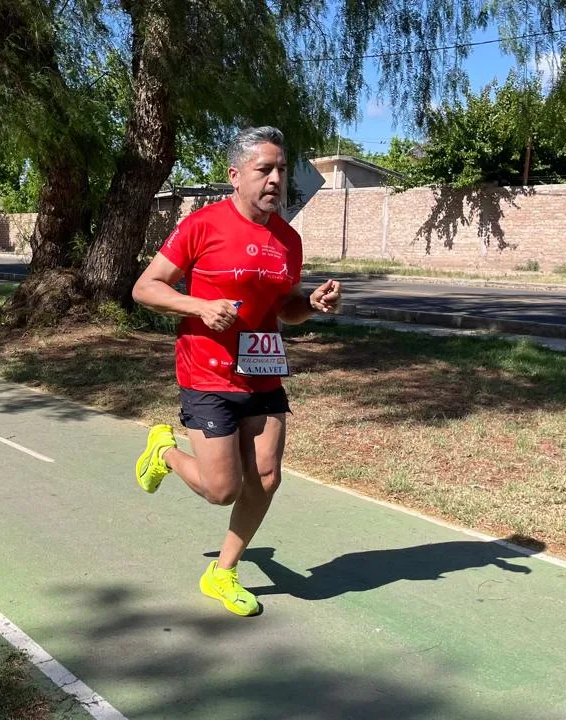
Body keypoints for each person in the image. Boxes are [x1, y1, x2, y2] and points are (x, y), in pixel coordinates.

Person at [131, 126, 342, 617]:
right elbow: (146, 287)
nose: (275, 179)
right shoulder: (202, 225)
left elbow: (285, 308)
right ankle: (164, 452)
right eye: (264, 169)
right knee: (221, 489)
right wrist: (199, 306)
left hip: (263, 369)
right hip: (207, 373)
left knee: (265, 478)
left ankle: (222, 571)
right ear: (235, 175)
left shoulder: (287, 239)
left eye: (281, 170)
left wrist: (310, 303)